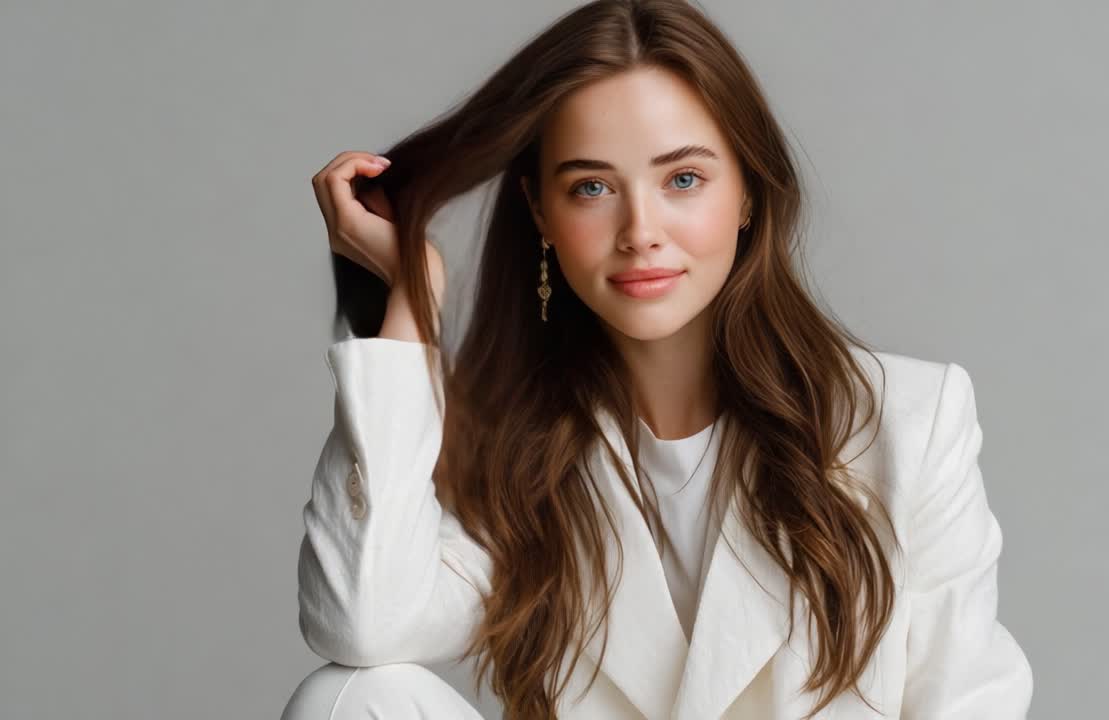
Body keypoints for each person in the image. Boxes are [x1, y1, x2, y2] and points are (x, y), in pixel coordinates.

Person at [283, 1, 1034, 718]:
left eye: (683, 179)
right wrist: (411, 294)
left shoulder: (906, 420)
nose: (640, 230)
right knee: (346, 701)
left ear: (747, 192)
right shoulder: (516, 447)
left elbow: (967, 700)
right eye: (592, 187)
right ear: (541, 213)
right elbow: (362, 623)